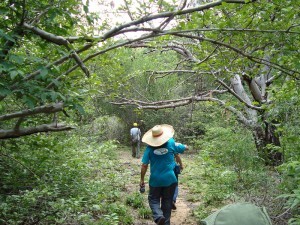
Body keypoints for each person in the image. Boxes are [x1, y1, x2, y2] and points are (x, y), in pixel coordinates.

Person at [140, 124, 188, 225]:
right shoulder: (171, 142)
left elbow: (144, 165)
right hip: (170, 179)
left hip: (155, 181)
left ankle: (158, 216)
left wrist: (142, 179)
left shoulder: (149, 149)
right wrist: (185, 147)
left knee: (153, 199)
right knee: (167, 203)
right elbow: (181, 148)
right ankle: (165, 222)